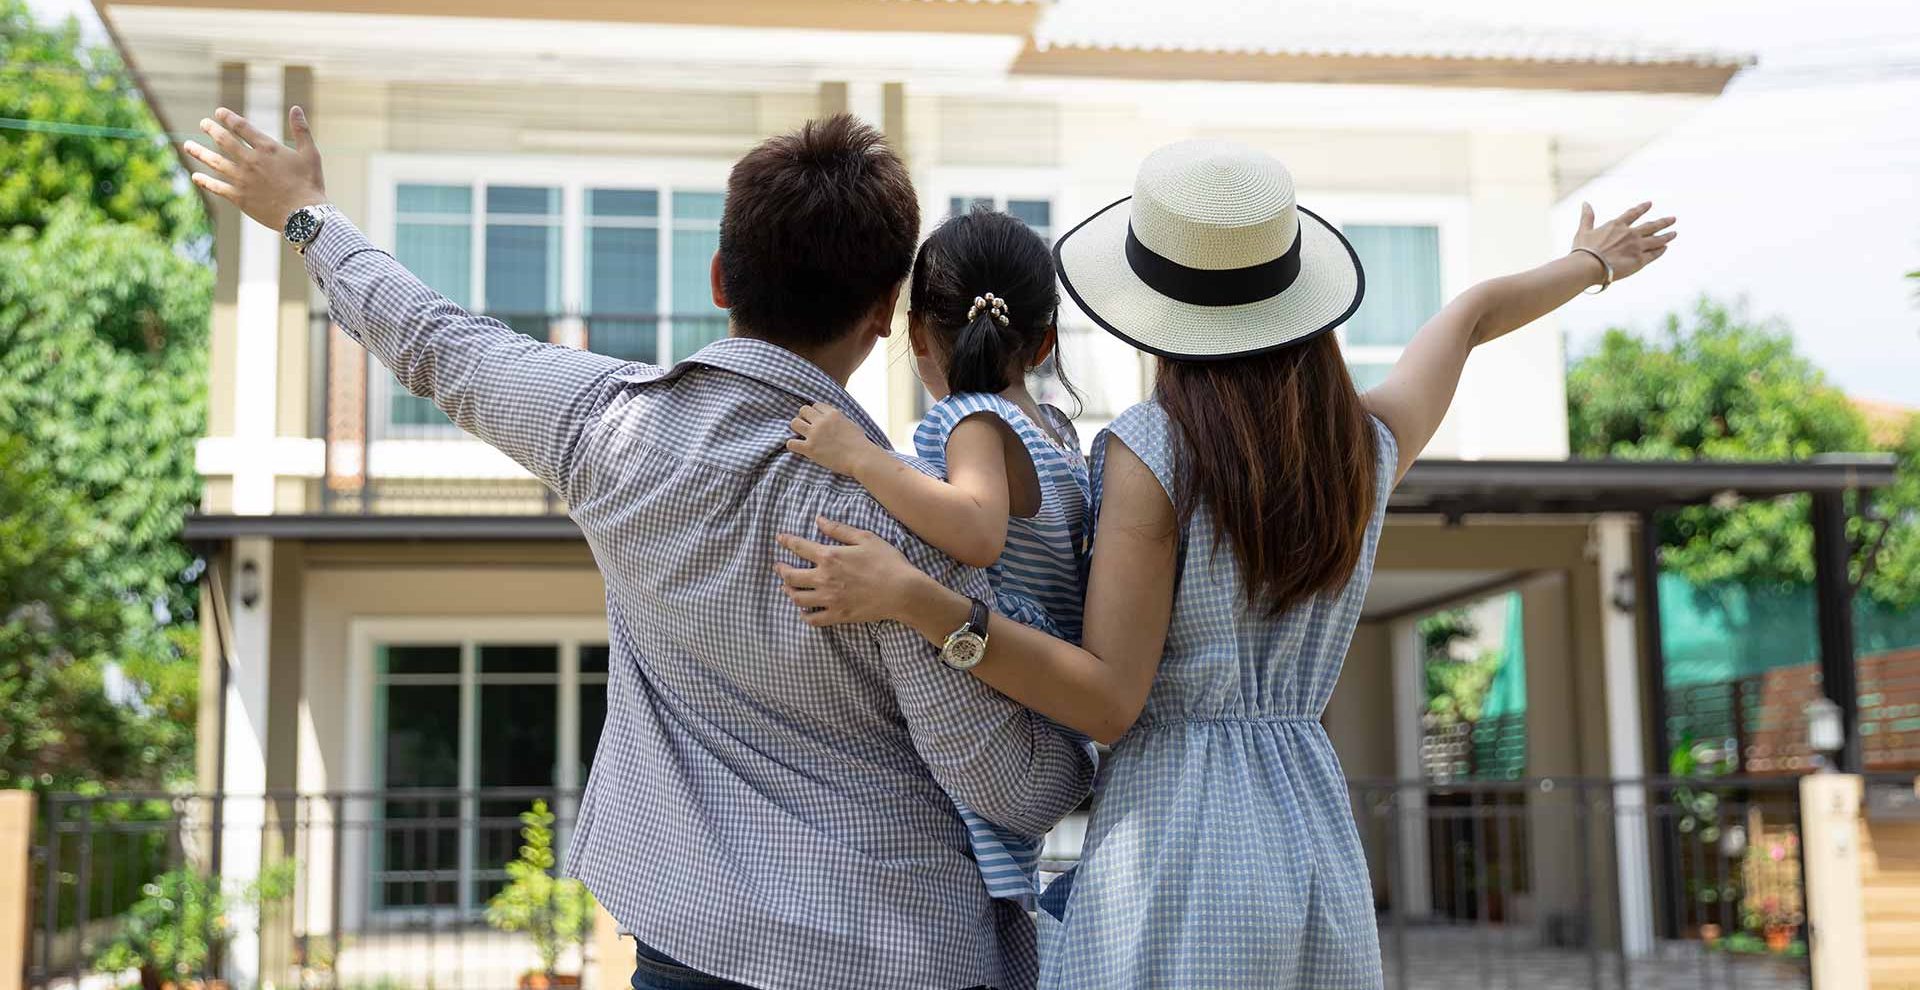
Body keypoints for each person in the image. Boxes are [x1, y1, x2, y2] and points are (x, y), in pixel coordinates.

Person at [184, 108, 1096, 990]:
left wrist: (305, 217)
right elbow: (1016, 790)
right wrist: (1076, 746)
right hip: (894, 950)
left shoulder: (603, 428)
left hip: (687, 944)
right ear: (885, 313)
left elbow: (436, 342)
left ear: (718, 280)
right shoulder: (896, 528)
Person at [771, 139, 1676, 989]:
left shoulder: (1151, 450)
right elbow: (1468, 318)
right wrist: (1590, 265)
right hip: (1314, 831)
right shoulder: (1360, 444)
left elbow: (1107, 699)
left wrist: (921, 604)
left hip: (1176, 851)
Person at [784, 206, 1094, 907]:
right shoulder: (1059, 438)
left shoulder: (972, 419)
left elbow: (977, 531)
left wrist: (861, 458)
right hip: (1048, 694)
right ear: (1044, 345)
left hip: (1002, 685)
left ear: (917, 332)